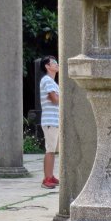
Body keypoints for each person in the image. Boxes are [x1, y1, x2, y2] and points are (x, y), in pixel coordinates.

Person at [39, 56, 60, 189]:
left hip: (54, 120)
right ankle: (46, 179)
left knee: (52, 150)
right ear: (47, 66)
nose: (57, 65)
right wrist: (60, 97)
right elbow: (54, 99)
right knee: (50, 150)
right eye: (54, 63)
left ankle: (50, 176)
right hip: (50, 120)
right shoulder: (47, 80)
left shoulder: (52, 82)